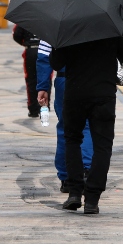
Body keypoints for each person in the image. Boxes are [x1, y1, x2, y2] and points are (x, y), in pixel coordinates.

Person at [47, 22, 123, 214]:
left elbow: (56, 62)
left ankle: (74, 192)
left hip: (75, 93)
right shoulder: (112, 23)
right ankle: (92, 199)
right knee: (102, 146)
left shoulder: (69, 24)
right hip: (103, 93)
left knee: (72, 140)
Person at [37, 39, 93, 194]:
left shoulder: (54, 23)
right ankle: (86, 169)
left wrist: (43, 86)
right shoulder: (97, 20)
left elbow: (43, 57)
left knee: (66, 128)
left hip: (65, 78)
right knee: (87, 125)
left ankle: (66, 177)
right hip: (90, 79)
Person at [12, 24, 42, 117]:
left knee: (31, 80)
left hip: (30, 51)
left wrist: (26, 42)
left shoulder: (24, 17)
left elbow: (16, 35)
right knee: (45, 79)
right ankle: (44, 107)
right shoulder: (48, 15)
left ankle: (33, 109)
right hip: (43, 51)